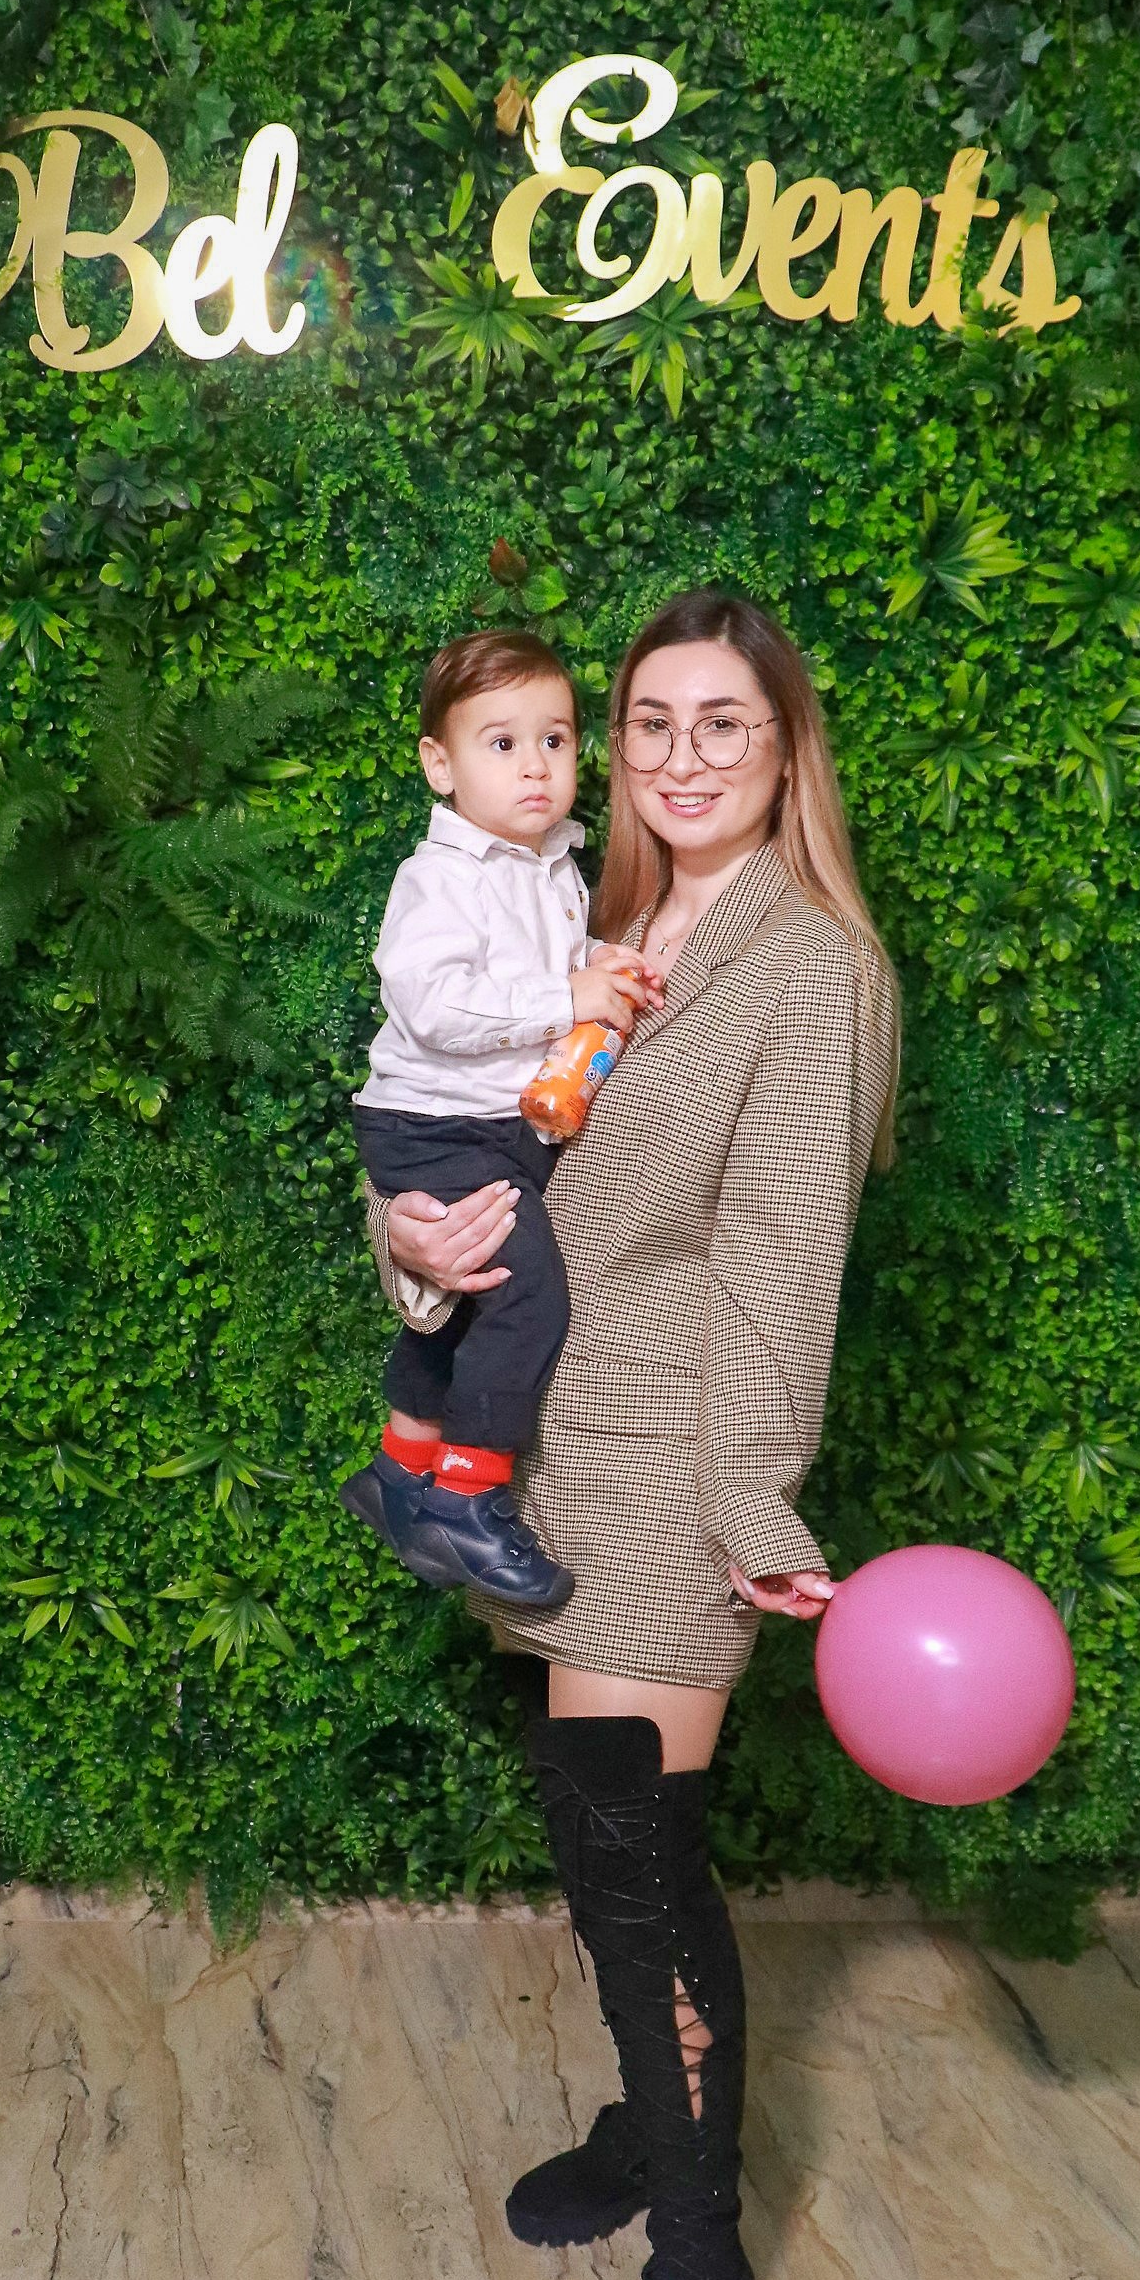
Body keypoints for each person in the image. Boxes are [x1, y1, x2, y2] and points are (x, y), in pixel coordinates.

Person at [365, 587, 900, 2280]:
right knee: (599, 1854)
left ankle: (700, 2256)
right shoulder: (579, 910)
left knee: (639, 1864)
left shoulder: (814, 972)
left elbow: (781, 1271)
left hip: (673, 1468)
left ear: (785, 746)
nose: (679, 757)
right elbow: (454, 1133)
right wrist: (410, 1249)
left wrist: (751, 1500)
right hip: (539, 1450)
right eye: (650, 723)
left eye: (721, 723)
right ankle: (646, 2125)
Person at [341, 628, 661, 1609]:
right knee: (525, 1299)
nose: (535, 767)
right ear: (439, 765)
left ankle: (401, 1467)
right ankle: (466, 1500)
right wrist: (567, 998)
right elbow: (434, 1006)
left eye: (554, 741)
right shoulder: (438, 879)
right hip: (435, 1125)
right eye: (502, 743)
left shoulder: (548, 862)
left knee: (475, 1291)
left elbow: (534, 961)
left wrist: (597, 964)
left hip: (487, 1124)